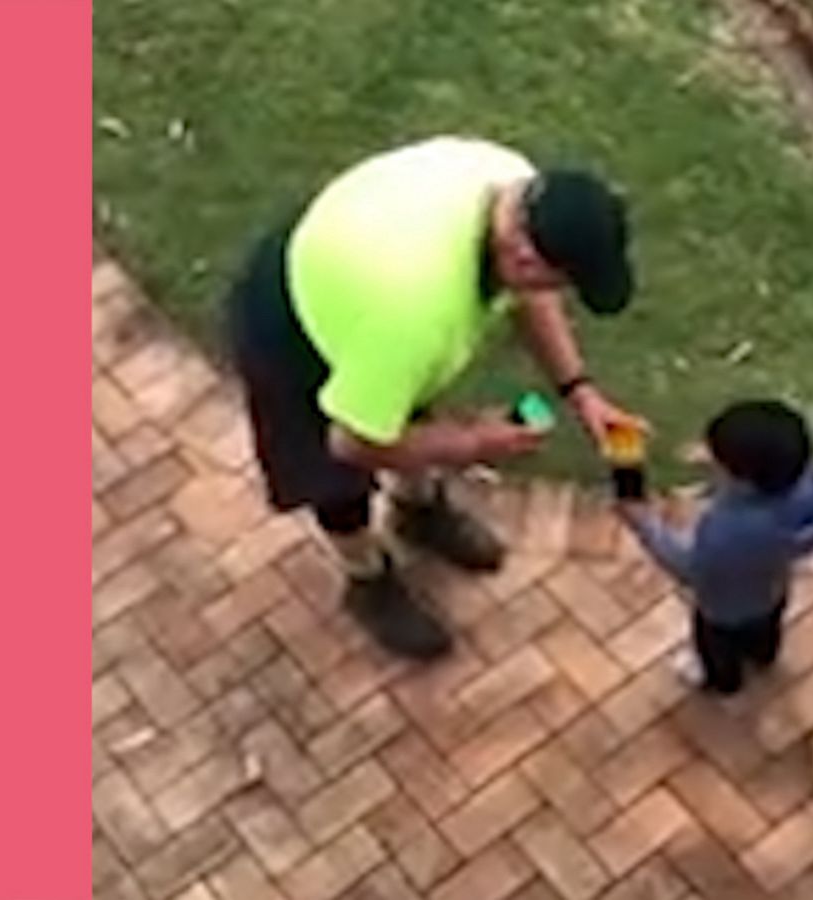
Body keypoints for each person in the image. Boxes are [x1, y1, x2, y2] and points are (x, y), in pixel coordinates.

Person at [226, 136, 644, 661]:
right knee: (338, 484)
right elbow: (352, 443)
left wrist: (579, 391)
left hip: (362, 287)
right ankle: (368, 580)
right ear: (525, 255)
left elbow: (531, 296)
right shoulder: (419, 315)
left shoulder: (513, 186)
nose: (556, 292)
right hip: (293, 332)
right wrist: (473, 442)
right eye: (562, 279)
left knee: (412, 417)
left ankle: (416, 512)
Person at [617, 400, 813, 694]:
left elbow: (689, 569)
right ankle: (764, 657)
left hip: (722, 614)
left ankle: (723, 682)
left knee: (719, 652)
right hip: (771, 594)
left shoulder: (727, 533)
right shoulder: (808, 487)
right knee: (765, 634)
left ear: (741, 479)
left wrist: (644, 523)